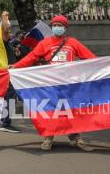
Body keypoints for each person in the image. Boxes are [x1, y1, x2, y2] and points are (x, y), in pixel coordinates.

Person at [10, 15, 96, 151]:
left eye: (60, 25)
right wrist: (15, 66)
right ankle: (48, 137)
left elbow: (91, 58)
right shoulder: (45, 43)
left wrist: (109, 66)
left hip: (69, 86)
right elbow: (31, 58)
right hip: (51, 85)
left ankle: (76, 137)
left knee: (71, 111)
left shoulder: (73, 42)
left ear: (65, 28)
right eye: (54, 25)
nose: (57, 27)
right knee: (50, 110)